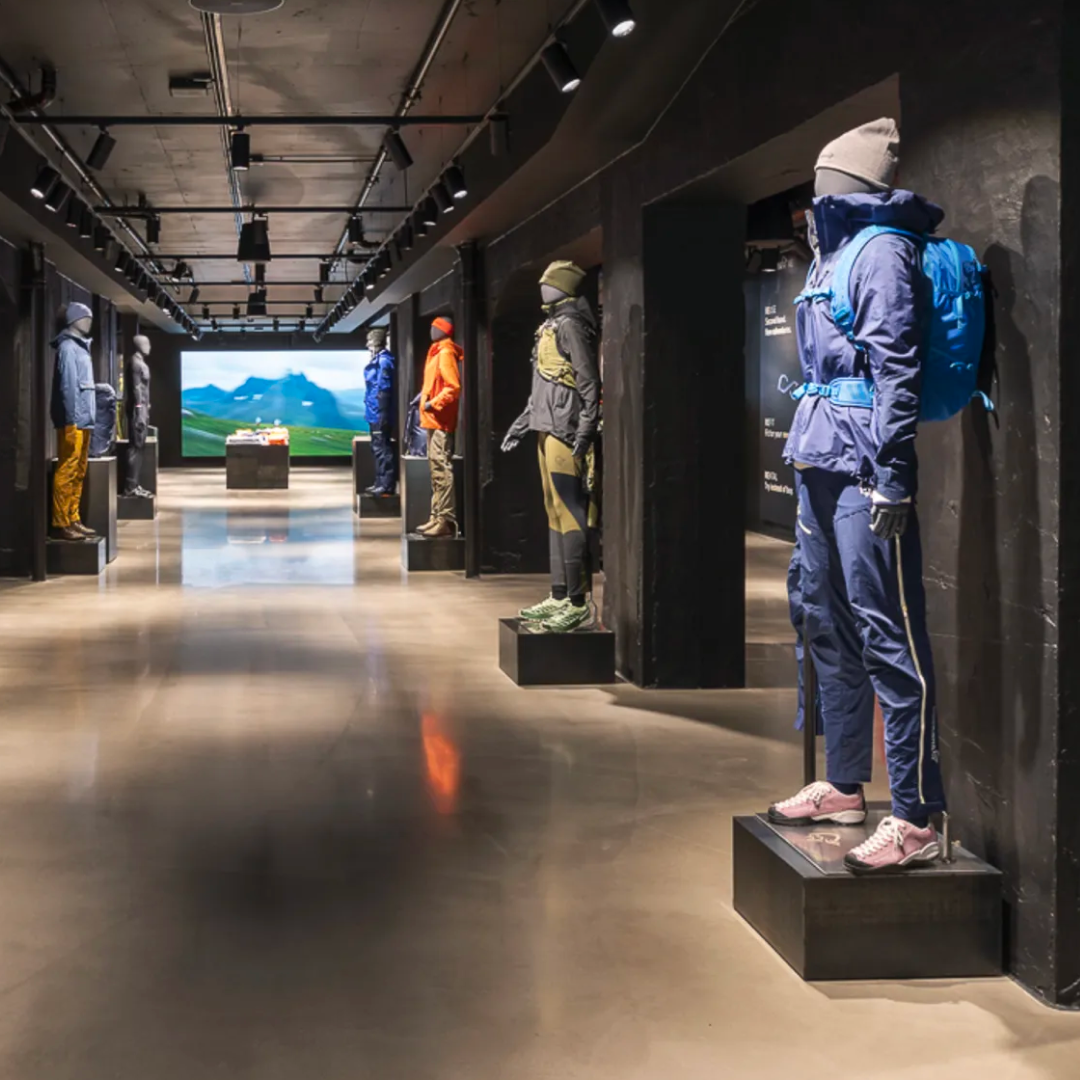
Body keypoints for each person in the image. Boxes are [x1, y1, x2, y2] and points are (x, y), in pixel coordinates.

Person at [768, 118, 946, 874]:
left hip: (864, 467)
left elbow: (897, 371)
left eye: (828, 178)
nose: (817, 191)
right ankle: (844, 785)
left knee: (887, 634)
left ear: (853, 182)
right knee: (824, 620)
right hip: (816, 457)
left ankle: (914, 816)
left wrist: (895, 475)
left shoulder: (881, 252)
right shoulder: (831, 252)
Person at [501, 261, 600, 634]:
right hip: (546, 427)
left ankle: (578, 603)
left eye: (550, 282)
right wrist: (522, 424)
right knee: (553, 510)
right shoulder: (549, 327)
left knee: (570, 511)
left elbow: (589, 383)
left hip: (565, 430)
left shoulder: (571, 326)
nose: (543, 287)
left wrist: (585, 432)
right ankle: (559, 594)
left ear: (564, 287)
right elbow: (542, 385)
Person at [50, 302, 97, 541]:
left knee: (79, 471)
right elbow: (67, 387)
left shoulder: (80, 348)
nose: (89, 322)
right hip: (74, 421)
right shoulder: (68, 348)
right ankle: (61, 522)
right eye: (85, 317)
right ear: (73, 320)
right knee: (67, 470)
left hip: (84, 420)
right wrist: (69, 421)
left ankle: (73, 518)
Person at [416, 317, 462, 539]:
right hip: (432, 420)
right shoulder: (435, 352)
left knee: (441, 469)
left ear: (443, 330)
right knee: (436, 469)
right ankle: (436, 516)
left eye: (435, 327)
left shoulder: (445, 353)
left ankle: (445, 519)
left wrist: (432, 404)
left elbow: (453, 387)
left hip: (440, 420)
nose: (431, 331)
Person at [363, 327, 397, 496]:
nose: (367, 345)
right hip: (374, 411)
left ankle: (386, 484)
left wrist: (382, 413)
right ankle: (379, 481)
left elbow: (384, 389)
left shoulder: (383, 361)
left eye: (369, 342)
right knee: (377, 448)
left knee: (382, 449)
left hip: (379, 412)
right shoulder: (378, 360)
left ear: (376, 342)